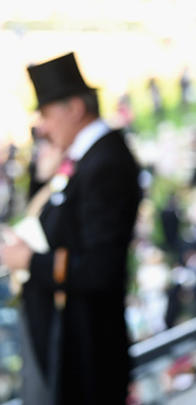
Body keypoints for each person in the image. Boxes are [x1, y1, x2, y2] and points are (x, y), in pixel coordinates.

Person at [1, 52, 142, 404]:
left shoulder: (104, 162)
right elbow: (52, 224)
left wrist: (30, 261)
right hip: (73, 336)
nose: (42, 128)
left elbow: (99, 267)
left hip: (86, 345)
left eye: (46, 114)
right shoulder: (86, 157)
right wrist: (42, 178)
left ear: (75, 108)